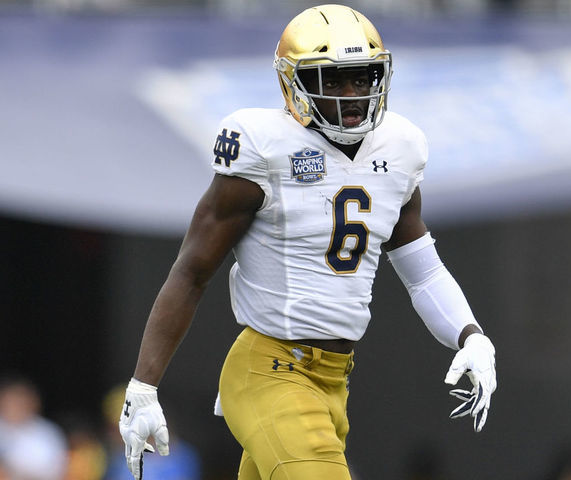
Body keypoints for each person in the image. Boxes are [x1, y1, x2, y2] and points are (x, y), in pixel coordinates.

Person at [118, 4, 497, 480]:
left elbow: (422, 270)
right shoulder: (265, 146)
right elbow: (192, 271)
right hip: (271, 371)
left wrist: (472, 335)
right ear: (292, 84)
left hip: (335, 380)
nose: (351, 95)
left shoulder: (400, 147)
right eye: (332, 80)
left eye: (362, 78)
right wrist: (144, 385)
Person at [0, 374, 68, 480]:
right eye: (11, 400)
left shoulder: (48, 432)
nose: (15, 406)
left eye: (21, 400)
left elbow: (58, 472)